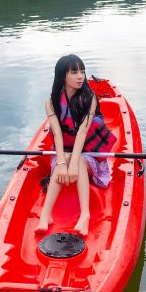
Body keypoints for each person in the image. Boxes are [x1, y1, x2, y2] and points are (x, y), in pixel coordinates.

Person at [35, 54, 116, 237]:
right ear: (63, 76)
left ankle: (85, 215)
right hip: (65, 150)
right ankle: (45, 215)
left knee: (77, 160)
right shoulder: (51, 103)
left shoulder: (90, 98)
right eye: (74, 72)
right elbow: (57, 134)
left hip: (89, 153)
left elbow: (81, 133)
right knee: (65, 161)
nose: (80, 76)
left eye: (82, 71)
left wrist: (71, 165)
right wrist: (62, 163)